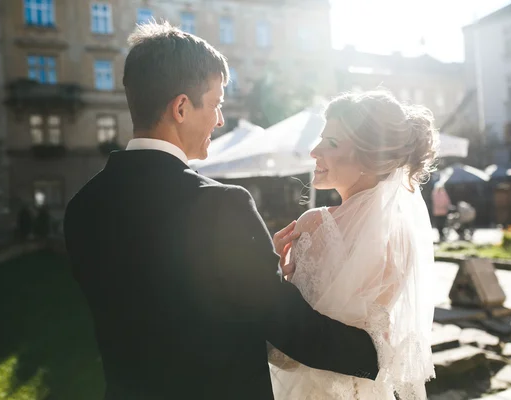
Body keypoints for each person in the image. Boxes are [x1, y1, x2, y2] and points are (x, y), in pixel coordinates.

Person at [63, 21, 379, 400]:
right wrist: (379, 356)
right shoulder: (220, 205)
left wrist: (257, 268)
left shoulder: (82, 206)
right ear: (181, 107)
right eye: (215, 104)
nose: (220, 120)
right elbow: (286, 326)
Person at [271, 90, 437, 399]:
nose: (314, 151)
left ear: (369, 158)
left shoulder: (314, 225)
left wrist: (272, 276)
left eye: (331, 143)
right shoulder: (403, 237)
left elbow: (290, 350)